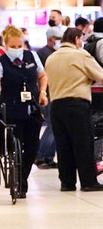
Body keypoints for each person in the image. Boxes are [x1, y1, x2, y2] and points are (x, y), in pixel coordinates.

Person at [0, 25, 48, 198]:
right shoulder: (0, 63)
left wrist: (42, 92)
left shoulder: (32, 56)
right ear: (5, 46)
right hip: (12, 110)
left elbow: (42, 76)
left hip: (32, 108)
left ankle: (22, 177)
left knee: (32, 147)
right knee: (16, 146)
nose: (16, 49)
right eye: (12, 46)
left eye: (19, 46)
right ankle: (19, 181)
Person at [44, 27, 103, 192]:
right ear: (77, 39)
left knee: (63, 146)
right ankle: (88, 182)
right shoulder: (80, 55)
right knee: (83, 144)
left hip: (56, 106)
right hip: (77, 105)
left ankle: (67, 183)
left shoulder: (52, 58)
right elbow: (100, 76)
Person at [34, 26, 63, 169]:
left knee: (55, 126)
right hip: (48, 93)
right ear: (50, 39)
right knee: (51, 126)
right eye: (57, 39)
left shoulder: (54, 53)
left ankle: (48, 157)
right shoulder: (44, 53)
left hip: (55, 92)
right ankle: (40, 156)